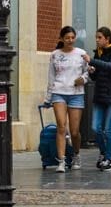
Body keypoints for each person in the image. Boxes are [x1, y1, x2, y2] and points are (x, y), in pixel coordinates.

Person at [47, 25, 90, 173]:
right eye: (67, 38)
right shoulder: (55, 55)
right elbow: (51, 76)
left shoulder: (81, 54)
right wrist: (48, 97)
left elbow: (88, 72)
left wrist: (83, 79)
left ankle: (76, 155)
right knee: (61, 127)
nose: (70, 40)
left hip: (76, 94)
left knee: (75, 131)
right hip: (58, 92)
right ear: (61, 39)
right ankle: (61, 161)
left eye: (72, 37)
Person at [87, 26, 111, 172]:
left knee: (108, 129)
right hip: (100, 95)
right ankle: (103, 153)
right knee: (95, 127)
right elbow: (96, 76)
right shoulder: (98, 53)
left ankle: (109, 160)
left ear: (107, 39)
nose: (97, 40)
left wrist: (92, 61)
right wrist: (92, 71)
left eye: (100, 38)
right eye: (96, 38)